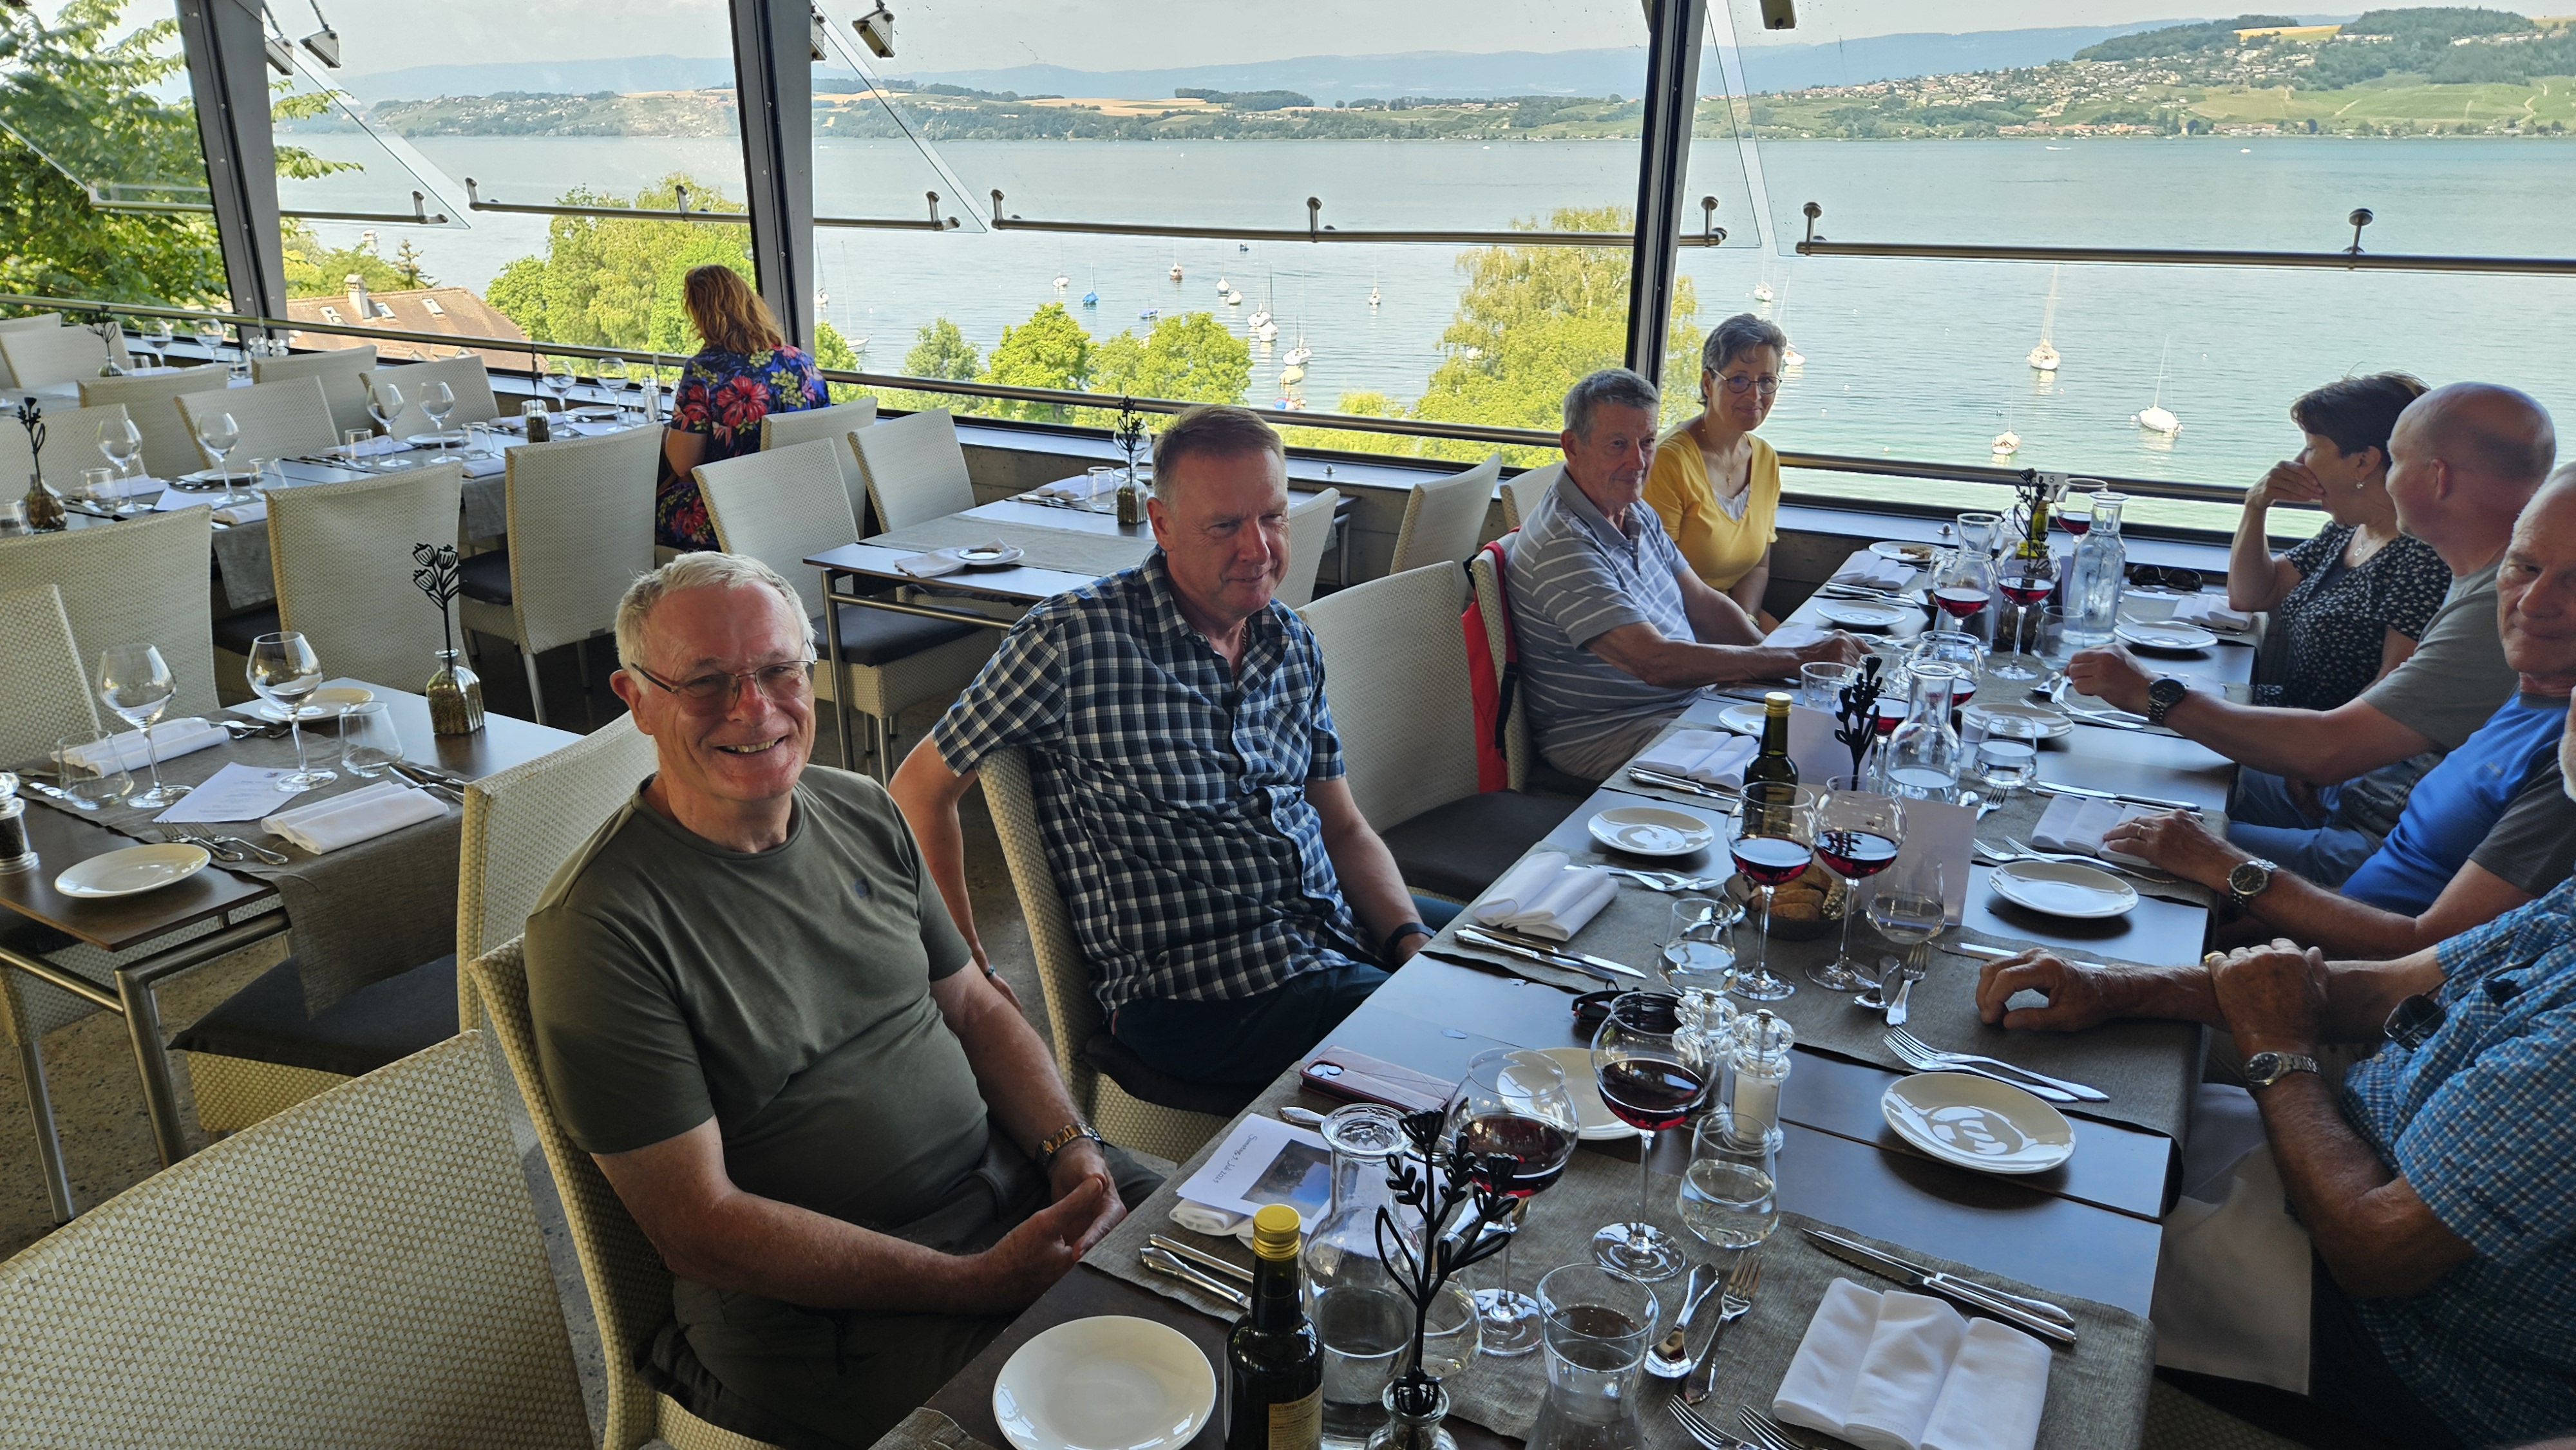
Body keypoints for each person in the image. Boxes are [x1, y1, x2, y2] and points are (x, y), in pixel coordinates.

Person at [522, 553, 1157, 1449]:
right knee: (1095, 1412)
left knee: (1232, 1266)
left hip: (1006, 1186)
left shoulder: (863, 809)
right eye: (706, 681)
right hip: (824, 1316)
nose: (755, 708)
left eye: (779, 669)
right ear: (638, 700)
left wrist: (1072, 1150)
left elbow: (976, 1009)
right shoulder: (598, 927)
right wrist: (975, 1282)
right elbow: (698, 1228)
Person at [1972, 805, 2576, 1449]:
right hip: (2336, 1153)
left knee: (2008, 1230)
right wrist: (2118, 988)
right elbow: (2391, 989)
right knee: (2048, 1112)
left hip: (2393, 1336)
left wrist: (2279, 1048)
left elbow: (2368, 1250)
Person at [889, 405, 1435, 1088]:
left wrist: (1408, 940)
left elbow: (1343, 826)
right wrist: (966, 965)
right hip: (1201, 997)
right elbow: (917, 789)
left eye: (1272, 517)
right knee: (1458, 1038)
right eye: (1224, 526)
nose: (1258, 549)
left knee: (1504, 965)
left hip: (1326, 935)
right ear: (1162, 523)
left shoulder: (1287, 638)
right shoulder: (1074, 641)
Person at [2070, 382, 2555, 885]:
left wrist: (2152, 693)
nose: (2387, 484)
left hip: (2369, 838)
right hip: (2348, 795)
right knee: (2133, 772)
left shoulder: (2496, 607)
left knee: (2114, 838)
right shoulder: (2474, 577)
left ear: (2437, 477)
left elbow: (2332, 751)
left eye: (2396, 462)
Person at [2107, 466, 2576, 958]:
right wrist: (2256, 919)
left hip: (2349, 975)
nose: (2534, 603)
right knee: (2128, 829)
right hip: (2325, 930)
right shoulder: (2528, 693)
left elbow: (2430, 957)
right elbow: (2390, 883)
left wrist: (2228, 870)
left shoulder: (2565, 768)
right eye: (2525, 567)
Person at [1509, 367, 1866, 781]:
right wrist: (1795, 660)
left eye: (1647, 442)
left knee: (1833, 741)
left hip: (1682, 704)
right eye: (1618, 445)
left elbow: (1704, 604)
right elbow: (1654, 663)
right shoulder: (1563, 545)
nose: (1638, 462)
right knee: (1804, 768)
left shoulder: (1632, 508)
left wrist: (1776, 666)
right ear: (1573, 446)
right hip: (1613, 732)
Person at [2224, 373, 2449, 711]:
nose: (2298, 464)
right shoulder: (2349, 531)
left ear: (2363, 461)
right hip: (2290, 714)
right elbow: (2252, 595)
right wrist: (2255, 506)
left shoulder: (2424, 558)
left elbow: (2390, 692)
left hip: (2326, 735)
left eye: (2311, 447)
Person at [658, 265, 829, 551]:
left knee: (637, 518)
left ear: (700, 315)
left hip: (734, 513)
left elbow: (683, 463)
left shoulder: (704, 369)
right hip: (804, 505)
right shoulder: (801, 361)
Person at [1643, 314, 1790, 625]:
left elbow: (1758, 566)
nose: (1755, 396)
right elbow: (1657, 578)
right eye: (1738, 380)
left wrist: (1746, 622)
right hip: (1677, 622)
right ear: (1709, 384)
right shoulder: (1670, 461)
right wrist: (1739, 638)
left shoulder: (1765, 459)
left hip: (1737, 618)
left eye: (1766, 381)